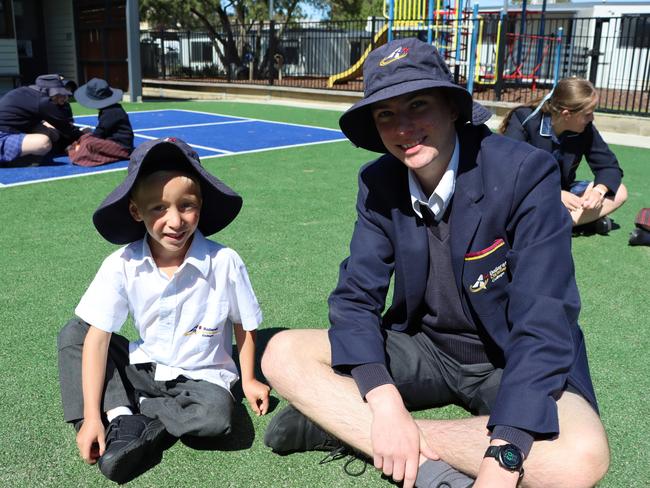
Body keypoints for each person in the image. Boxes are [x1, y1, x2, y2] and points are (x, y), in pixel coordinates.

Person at [261, 38, 609, 488]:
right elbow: (355, 297)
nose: (403, 127)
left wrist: (504, 457)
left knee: (581, 457)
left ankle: (355, 431)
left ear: (450, 108)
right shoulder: (379, 181)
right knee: (281, 354)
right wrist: (385, 404)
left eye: (418, 104)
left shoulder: (524, 171)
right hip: (425, 349)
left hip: (509, 359)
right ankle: (383, 430)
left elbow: (545, 320)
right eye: (386, 113)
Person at [57, 137, 270, 484]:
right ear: (136, 211)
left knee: (217, 419)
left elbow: (243, 324)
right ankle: (121, 415)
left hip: (201, 379)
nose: (175, 221)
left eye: (187, 206)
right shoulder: (122, 264)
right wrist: (91, 416)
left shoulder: (225, 261)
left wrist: (247, 380)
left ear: (200, 205)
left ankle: (134, 412)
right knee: (75, 333)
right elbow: (97, 339)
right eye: (158, 208)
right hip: (147, 366)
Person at [500, 77, 627, 235]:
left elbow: (609, 166)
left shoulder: (585, 129)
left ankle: (553, 224)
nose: (592, 118)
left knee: (619, 192)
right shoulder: (524, 120)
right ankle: (576, 222)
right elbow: (508, 170)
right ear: (567, 114)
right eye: (588, 114)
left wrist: (598, 192)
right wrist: (554, 193)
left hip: (564, 193)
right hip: (527, 191)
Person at [0, 73, 83, 165]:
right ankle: (12, 161)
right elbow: (66, 128)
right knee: (43, 143)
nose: (65, 98)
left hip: (18, 127)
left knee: (53, 134)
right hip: (2, 135)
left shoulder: (28, 92)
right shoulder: (43, 102)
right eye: (61, 94)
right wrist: (86, 136)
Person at [67, 78, 134, 167]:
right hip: (111, 140)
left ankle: (77, 152)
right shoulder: (109, 109)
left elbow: (100, 132)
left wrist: (88, 138)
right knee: (85, 138)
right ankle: (80, 149)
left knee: (89, 142)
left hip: (122, 146)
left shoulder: (112, 112)